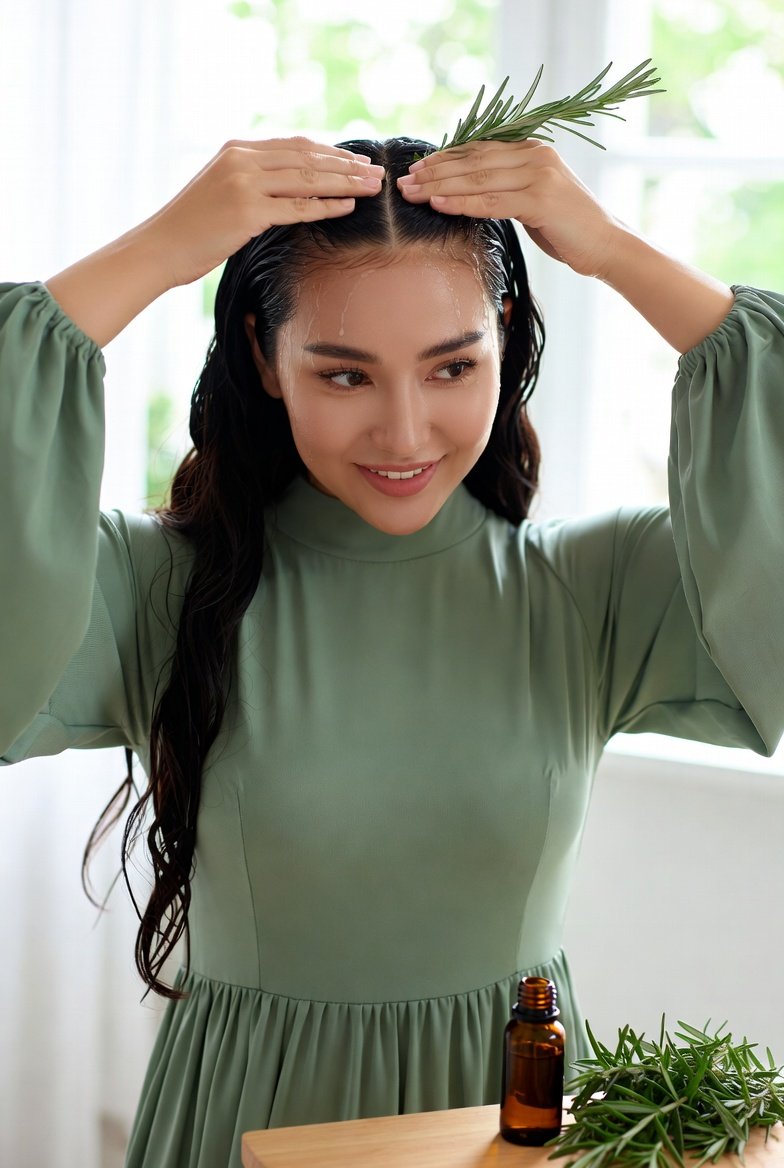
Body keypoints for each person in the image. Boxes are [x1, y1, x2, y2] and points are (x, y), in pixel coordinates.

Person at [1, 131, 783, 1168]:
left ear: (505, 337)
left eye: (452, 365)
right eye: (345, 375)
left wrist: (609, 247)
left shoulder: (594, 590)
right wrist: (163, 246)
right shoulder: (161, 590)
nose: (406, 432)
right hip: (247, 1118)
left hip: (513, 1120)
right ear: (261, 359)